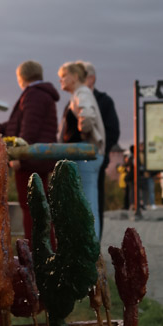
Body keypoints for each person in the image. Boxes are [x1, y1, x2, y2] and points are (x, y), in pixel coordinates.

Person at [0, 60, 59, 239]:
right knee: (39, 205)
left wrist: (19, 155)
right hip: (39, 158)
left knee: (31, 206)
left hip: (31, 160)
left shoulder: (33, 95)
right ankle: (46, 246)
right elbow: (19, 123)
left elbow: (29, 129)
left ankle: (37, 249)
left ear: (22, 77)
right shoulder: (41, 94)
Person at [57, 61, 105, 238]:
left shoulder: (82, 93)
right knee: (87, 202)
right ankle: (90, 244)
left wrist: (83, 131)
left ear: (75, 77)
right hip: (83, 154)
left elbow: (87, 116)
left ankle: (91, 245)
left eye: (64, 76)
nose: (61, 80)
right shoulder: (79, 93)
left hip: (85, 154)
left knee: (87, 203)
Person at [75, 61, 120, 236]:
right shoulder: (75, 99)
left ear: (91, 78)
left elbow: (113, 131)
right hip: (75, 159)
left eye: (80, 75)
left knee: (94, 200)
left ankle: (94, 241)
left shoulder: (104, 101)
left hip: (94, 159)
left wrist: (100, 151)